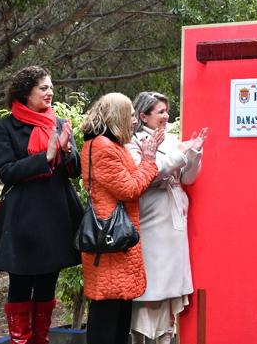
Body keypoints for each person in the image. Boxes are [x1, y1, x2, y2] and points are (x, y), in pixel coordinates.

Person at [0, 66, 82, 344]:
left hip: (56, 216)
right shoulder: (5, 127)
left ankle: (41, 339)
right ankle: (20, 340)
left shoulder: (60, 123)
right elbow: (7, 171)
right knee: (21, 283)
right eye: (43, 88)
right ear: (26, 92)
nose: (50, 92)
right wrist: (46, 155)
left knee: (47, 285)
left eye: (51, 87)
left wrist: (66, 151)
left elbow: (74, 172)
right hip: (22, 219)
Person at [79, 92, 162, 344]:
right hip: (110, 239)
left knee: (119, 313)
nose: (134, 121)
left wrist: (145, 164)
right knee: (107, 314)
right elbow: (130, 189)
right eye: (130, 116)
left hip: (119, 239)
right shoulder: (102, 147)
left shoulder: (113, 145)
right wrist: (149, 160)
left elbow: (134, 179)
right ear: (118, 117)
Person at [126, 92, 207, 344]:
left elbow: (187, 178)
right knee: (150, 289)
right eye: (160, 111)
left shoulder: (171, 141)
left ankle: (165, 337)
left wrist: (193, 154)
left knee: (169, 290)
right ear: (143, 116)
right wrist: (181, 153)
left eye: (166, 111)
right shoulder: (132, 143)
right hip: (151, 219)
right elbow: (147, 175)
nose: (166, 116)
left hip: (174, 221)